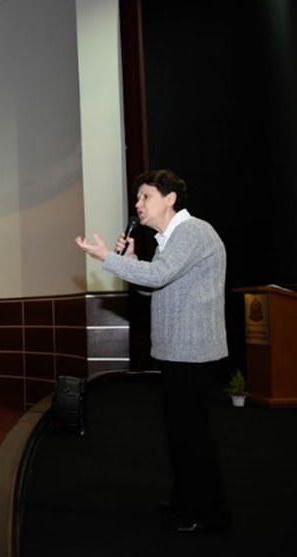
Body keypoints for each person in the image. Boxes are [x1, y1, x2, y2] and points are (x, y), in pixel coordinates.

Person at [75, 169, 231, 533]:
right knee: (181, 434)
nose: (138, 204)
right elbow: (152, 289)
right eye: (138, 198)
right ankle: (186, 501)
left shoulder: (193, 232)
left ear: (169, 198)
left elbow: (158, 276)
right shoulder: (169, 240)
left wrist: (107, 258)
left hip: (193, 352)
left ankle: (206, 512)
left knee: (191, 436)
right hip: (179, 351)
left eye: (145, 196)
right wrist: (129, 261)